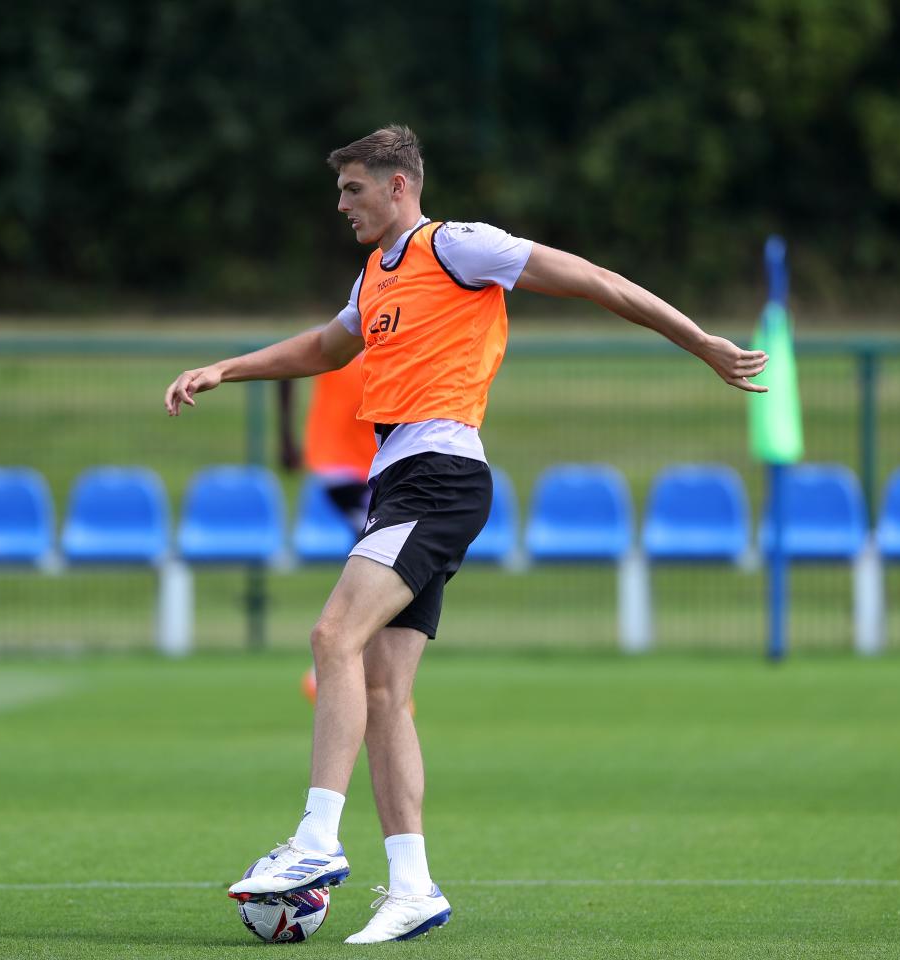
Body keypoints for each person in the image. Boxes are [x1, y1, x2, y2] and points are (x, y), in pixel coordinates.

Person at [164, 125, 768, 944]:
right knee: (383, 690)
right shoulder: (374, 276)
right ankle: (413, 887)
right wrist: (225, 369)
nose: (341, 205)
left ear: (399, 186)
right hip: (402, 481)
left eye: (352, 189)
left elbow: (593, 279)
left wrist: (699, 342)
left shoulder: (456, 246)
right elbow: (324, 347)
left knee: (332, 636)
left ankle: (315, 841)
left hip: (439, 475)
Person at [278, 348, 377, 532]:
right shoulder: (340, 339)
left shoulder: (394, 344)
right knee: (372, 527)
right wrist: (286, 440)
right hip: (337, 465)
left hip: (374, 463)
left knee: (375, 529)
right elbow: (286, 361)